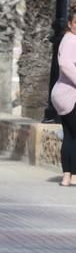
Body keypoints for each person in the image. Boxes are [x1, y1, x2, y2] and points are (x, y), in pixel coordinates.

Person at [51, 10, 76, 186]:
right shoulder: (71, 40)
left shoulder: (67, 40)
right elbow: (65, 65)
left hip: (62, 94)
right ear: (70, 23)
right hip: (70, 95)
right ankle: (73, 175)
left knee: (69, 135)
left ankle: (67, 175)